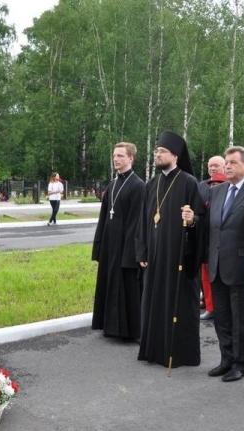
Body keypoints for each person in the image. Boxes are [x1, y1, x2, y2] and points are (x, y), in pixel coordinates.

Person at [136, 131, 205, 368]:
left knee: (176, 303)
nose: (157, 154)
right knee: (153, 302)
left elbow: (201, 218)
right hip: (154, 256)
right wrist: (142, 251)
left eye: (161, 151)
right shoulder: (152, 184)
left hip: (178, 256)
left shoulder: (188, 182)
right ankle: (153, 351)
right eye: (156, 151)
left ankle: (179, 353)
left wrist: (192, 218)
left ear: (175, 155)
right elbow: (144, 221)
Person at [206, 146, 244, 383]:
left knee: (243, 319)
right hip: (217, 265)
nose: (226, 166)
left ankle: (241, 364)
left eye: (232, 162)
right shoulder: (217, 191)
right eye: (226, 162)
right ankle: (226, 359)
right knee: (223, 318)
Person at [92, 142, 146, 341]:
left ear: (131, 158)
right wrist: (99, 247)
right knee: (109, 284)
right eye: (115, 155)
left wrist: (132, 252)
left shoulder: (138, 185)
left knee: (127, 288)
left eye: (121, 156)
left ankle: (131, 331)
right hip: (110, 246)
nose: (116, 159)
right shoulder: (112, 185)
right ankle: (111, 327)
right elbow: (103, 218)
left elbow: (137, 222)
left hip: (126, 248)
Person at [199, 156, 226, 319]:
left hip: (223, 241)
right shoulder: (202, 185)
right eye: (210, 166)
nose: (213, 168)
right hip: (206, 238)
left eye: (216, 165)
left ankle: (217, 308)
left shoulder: (229, 186)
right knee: (206, 274)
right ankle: (209, 306)